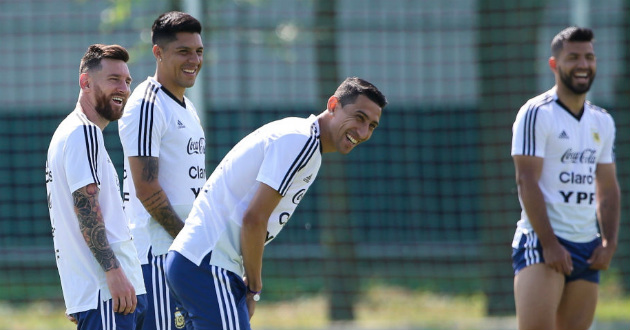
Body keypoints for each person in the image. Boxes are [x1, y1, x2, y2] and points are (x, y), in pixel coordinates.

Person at [163, 77, 387, 329]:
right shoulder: (301, 140)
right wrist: (254, 286)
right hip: (208, 264)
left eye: (372, 126)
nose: (363, 132)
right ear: (333, 105)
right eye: (359, 117)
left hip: (196, 261)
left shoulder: (305, 142)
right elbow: (254, 219)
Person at [511, 27, 620, 330]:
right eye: (573, 57)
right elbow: (526, 180)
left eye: (589, 57)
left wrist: (608, 243)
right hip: (542, 242)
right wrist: (549, 243)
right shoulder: (536, 113)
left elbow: (608, 188)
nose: (583, 64)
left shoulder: (602, 120)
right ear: (554, 65)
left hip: (587, 248)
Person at [45, 44, 147, 329]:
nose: (124, 88)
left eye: (127, 81)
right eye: (113, 79)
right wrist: (113, 272)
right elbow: (85, 208)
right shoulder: (83, 132)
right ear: (85, 82)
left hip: (101, 294)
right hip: (109, 294)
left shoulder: (70, 133)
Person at [118, 11, 205, 330]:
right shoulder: (146, 104)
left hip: (180, 252)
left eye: (199, 51)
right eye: (183, 51)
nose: (194, 59)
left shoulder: (187, 106)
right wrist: (188, 241)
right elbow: (146, 189)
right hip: (156, 255)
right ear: (158, 52)